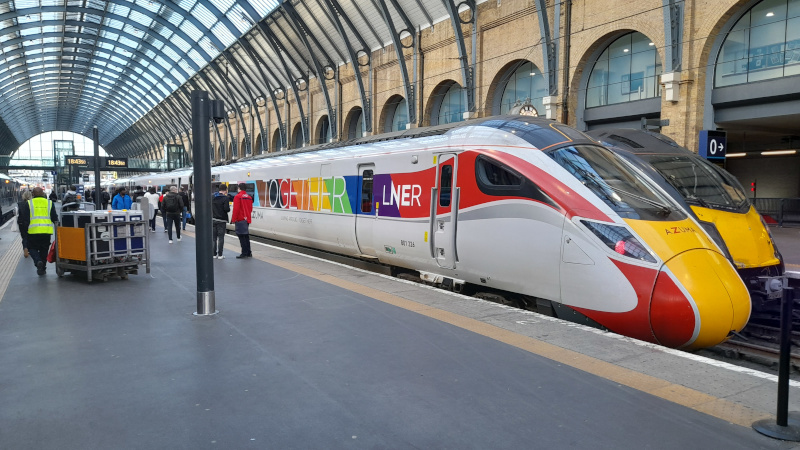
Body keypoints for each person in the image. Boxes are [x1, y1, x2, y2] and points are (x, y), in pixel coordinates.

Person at [19, 187, 58, 276]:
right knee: (44, 250)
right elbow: (54, 218)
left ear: (33, 194)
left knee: (32, 248)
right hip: (46, 231)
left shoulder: (29, 203)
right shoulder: (49, 203)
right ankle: (42, 269)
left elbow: (25, 220)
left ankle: (38, 261)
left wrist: (25, 231)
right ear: (43, 193)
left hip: (33, 231)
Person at [231, 182, 253, 259]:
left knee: (241, 236)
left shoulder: (237, 197)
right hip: (247, 219)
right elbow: (250, 209)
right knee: (246, 236)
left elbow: (236, 209)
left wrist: (233, 219)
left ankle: (244, 253)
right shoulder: (249, 197)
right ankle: (249, 252)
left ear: (239, 188)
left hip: (240, 219)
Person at [212, 184, 230, 259]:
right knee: (221, 238)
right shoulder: (225, 198)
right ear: (225, 190)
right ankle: (220, 255)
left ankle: (214, 254)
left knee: (214, 238)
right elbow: (226, 209)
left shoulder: (213, 196)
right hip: (222, 220)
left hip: (213, 219)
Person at [16, 190, 32, 256]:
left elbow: (16, 213)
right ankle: (29, 249)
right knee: (30, 236)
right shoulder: (32, 204)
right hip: (30, 222)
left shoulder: (19, 204)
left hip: (21, 223)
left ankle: (25, 248)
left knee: (24, 237)